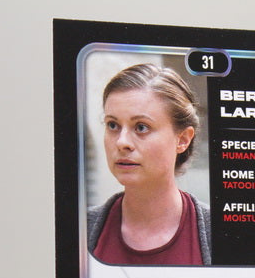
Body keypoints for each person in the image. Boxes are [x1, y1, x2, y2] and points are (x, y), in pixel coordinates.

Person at [87, 63, 211, 265]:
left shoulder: (219, 232)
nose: (122, 142)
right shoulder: (81, 229)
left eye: (141, 127)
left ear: (182, 139)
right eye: (113, 125)